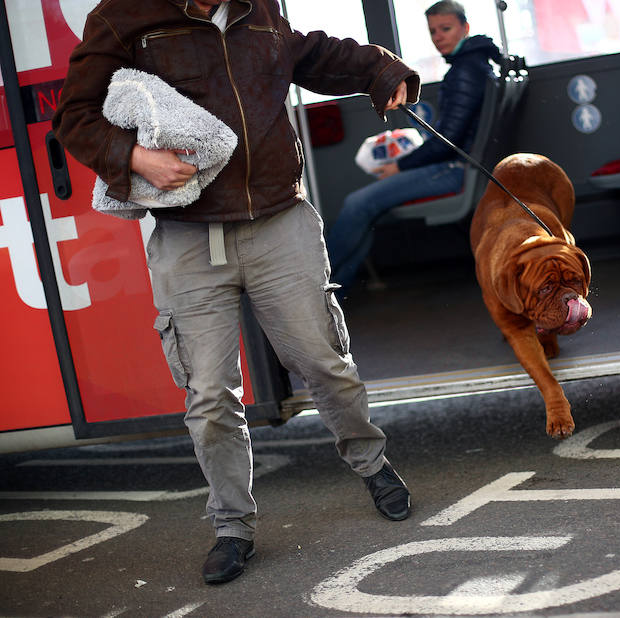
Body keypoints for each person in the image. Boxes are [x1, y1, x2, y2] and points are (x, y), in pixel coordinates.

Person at [52, 0, 420, 585]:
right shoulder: (122, 14)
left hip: (280, 219)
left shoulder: (260, 8)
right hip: (188, 236)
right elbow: (75, 116)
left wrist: (383, 69)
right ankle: (232, 526)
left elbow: (310, 54)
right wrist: (136, 157)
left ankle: (371, 463)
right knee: (209, 396)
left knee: (325, 362)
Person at [325, 0, 501, 292]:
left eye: (445, 28)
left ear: (465, 28)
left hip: (456, 170)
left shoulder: (465, 72)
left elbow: (448, 144)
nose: (438, 37)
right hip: (463, 165)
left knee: (358, 204)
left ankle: (320, 285)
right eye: (433, 31)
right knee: (365, 207)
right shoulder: (475, 65)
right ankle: (337, 289)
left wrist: (399, 166)